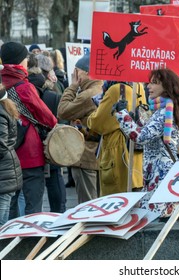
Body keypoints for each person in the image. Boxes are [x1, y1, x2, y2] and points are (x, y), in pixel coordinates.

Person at [114, 68, 179, 218]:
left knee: (157, 223)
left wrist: (122, 115)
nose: (148, 86)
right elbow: (151, 134)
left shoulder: (164, 112)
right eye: (149, 83)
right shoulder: (167, 108)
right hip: (161, 175)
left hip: (160, 178)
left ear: (167, 86)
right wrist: (133, 119)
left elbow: (141, 137)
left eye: (154, 83)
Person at [1, 41, 57, 219]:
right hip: (29, 154)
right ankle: (31, 243)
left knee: (9, 207)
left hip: (6, 156)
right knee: (33, 208)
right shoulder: (24, 87)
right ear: (20, 62)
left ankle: (9, 244)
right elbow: (49, 119)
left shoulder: (2, 84)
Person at [57, 53, 103, 204]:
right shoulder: (102, 88)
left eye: (77, 71)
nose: (74, 75)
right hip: (99, 155)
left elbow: (62, 110)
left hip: (86, 156)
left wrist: (73, 86)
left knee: (88, 205)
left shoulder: (88, 94)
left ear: (87, 72)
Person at [87, 81, 146, 195]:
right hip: (135, 149)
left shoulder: (115, 89)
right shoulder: (138, 86)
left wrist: (91, 116)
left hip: (118, 149)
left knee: (116, 197)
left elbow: (97, 123)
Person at [27, 55, 66, 213]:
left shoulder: (27, 86)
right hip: (52, 138)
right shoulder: (53, 87)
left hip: (32, 141)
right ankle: (59, 214)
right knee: (55, 179)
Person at [0, 84, 23, 225]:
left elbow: (0, 145)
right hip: (7, 171)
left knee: (1, 223)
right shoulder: (4, 107)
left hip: (4, 173)